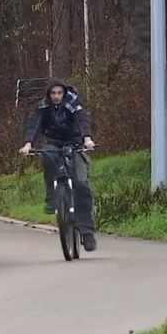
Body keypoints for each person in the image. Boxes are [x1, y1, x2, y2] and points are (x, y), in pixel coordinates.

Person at [19, 78, 98, 251]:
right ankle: (52, 198)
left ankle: (86, 232)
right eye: (53, 93)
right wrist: (28, 143)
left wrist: (87, 139)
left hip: (75, 143)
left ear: (64, 93)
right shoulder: (43, 107)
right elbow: (34, 125)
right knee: (46, 155)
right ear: (49, 94)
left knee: (81, 184)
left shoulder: (73, 104)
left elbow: (82, 120)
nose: (56, 96)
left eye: (59, 93)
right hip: (54, 143)